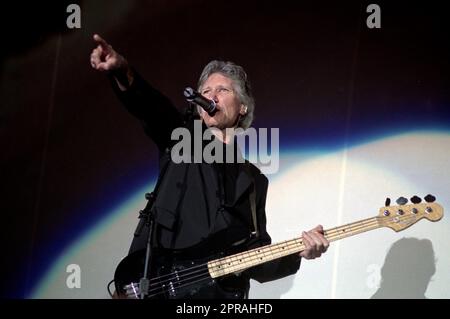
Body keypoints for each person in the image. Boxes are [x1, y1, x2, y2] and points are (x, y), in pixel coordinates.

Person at [90, 34, 329, 299]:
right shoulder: (181, 139)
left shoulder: (254, 181)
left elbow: (254, 256)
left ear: (242, 107)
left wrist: (299, 252)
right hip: (154, 286)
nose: (211, 96)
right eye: (205, 92)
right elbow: (153, 109)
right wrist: (123, 72)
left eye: (222, 90)